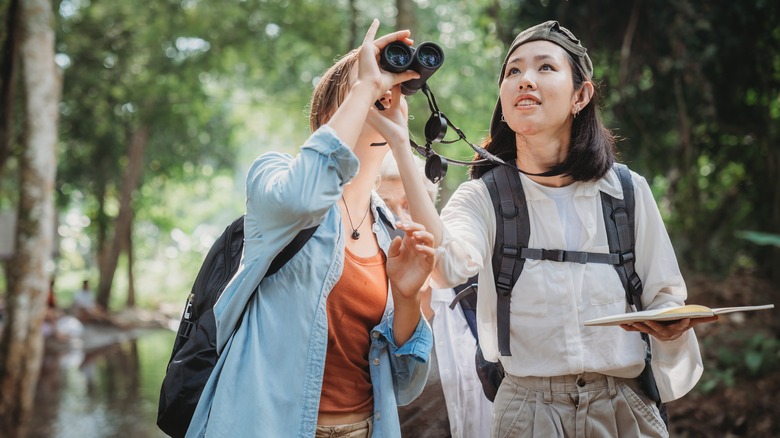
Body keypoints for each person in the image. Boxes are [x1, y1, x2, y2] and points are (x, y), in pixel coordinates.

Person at [369, 20, 718, 437]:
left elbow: (665, 295)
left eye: (545, 68)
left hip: (625, 407)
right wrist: (399, 145)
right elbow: (445, 267)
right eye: (513, 71)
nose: (525, 80)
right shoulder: (483, 196)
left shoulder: (626, 192)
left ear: (580, 95)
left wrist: (668, 321)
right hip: (528, 411)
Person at [186, 20, 436, 438]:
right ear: (327, 116)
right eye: (368, 85)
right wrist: (362, 85)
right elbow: (304, 196)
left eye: (389, 90)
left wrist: (408, 299)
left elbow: (406, 384)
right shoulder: (275, 176)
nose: (381, 91)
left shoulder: (392, 233)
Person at [377, 154, 493, 438]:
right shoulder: (364, 300)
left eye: (409, 205)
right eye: (384, 207)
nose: (399, 220)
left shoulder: (470, 287)